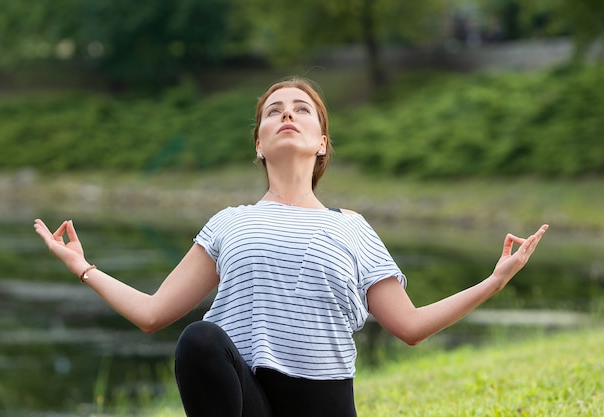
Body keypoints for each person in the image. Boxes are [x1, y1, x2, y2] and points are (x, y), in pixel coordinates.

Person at [34, 77, 548, 417]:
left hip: (321, 401)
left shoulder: (352, 228)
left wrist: (495, 280)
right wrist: (84, 268)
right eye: (273, 111)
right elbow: (152, 314)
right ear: (258, 143)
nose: (287, 115)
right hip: (247, 399)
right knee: (199, 340)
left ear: (322, 141)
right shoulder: (228, 223)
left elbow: (409, 327)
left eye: (302, 110)